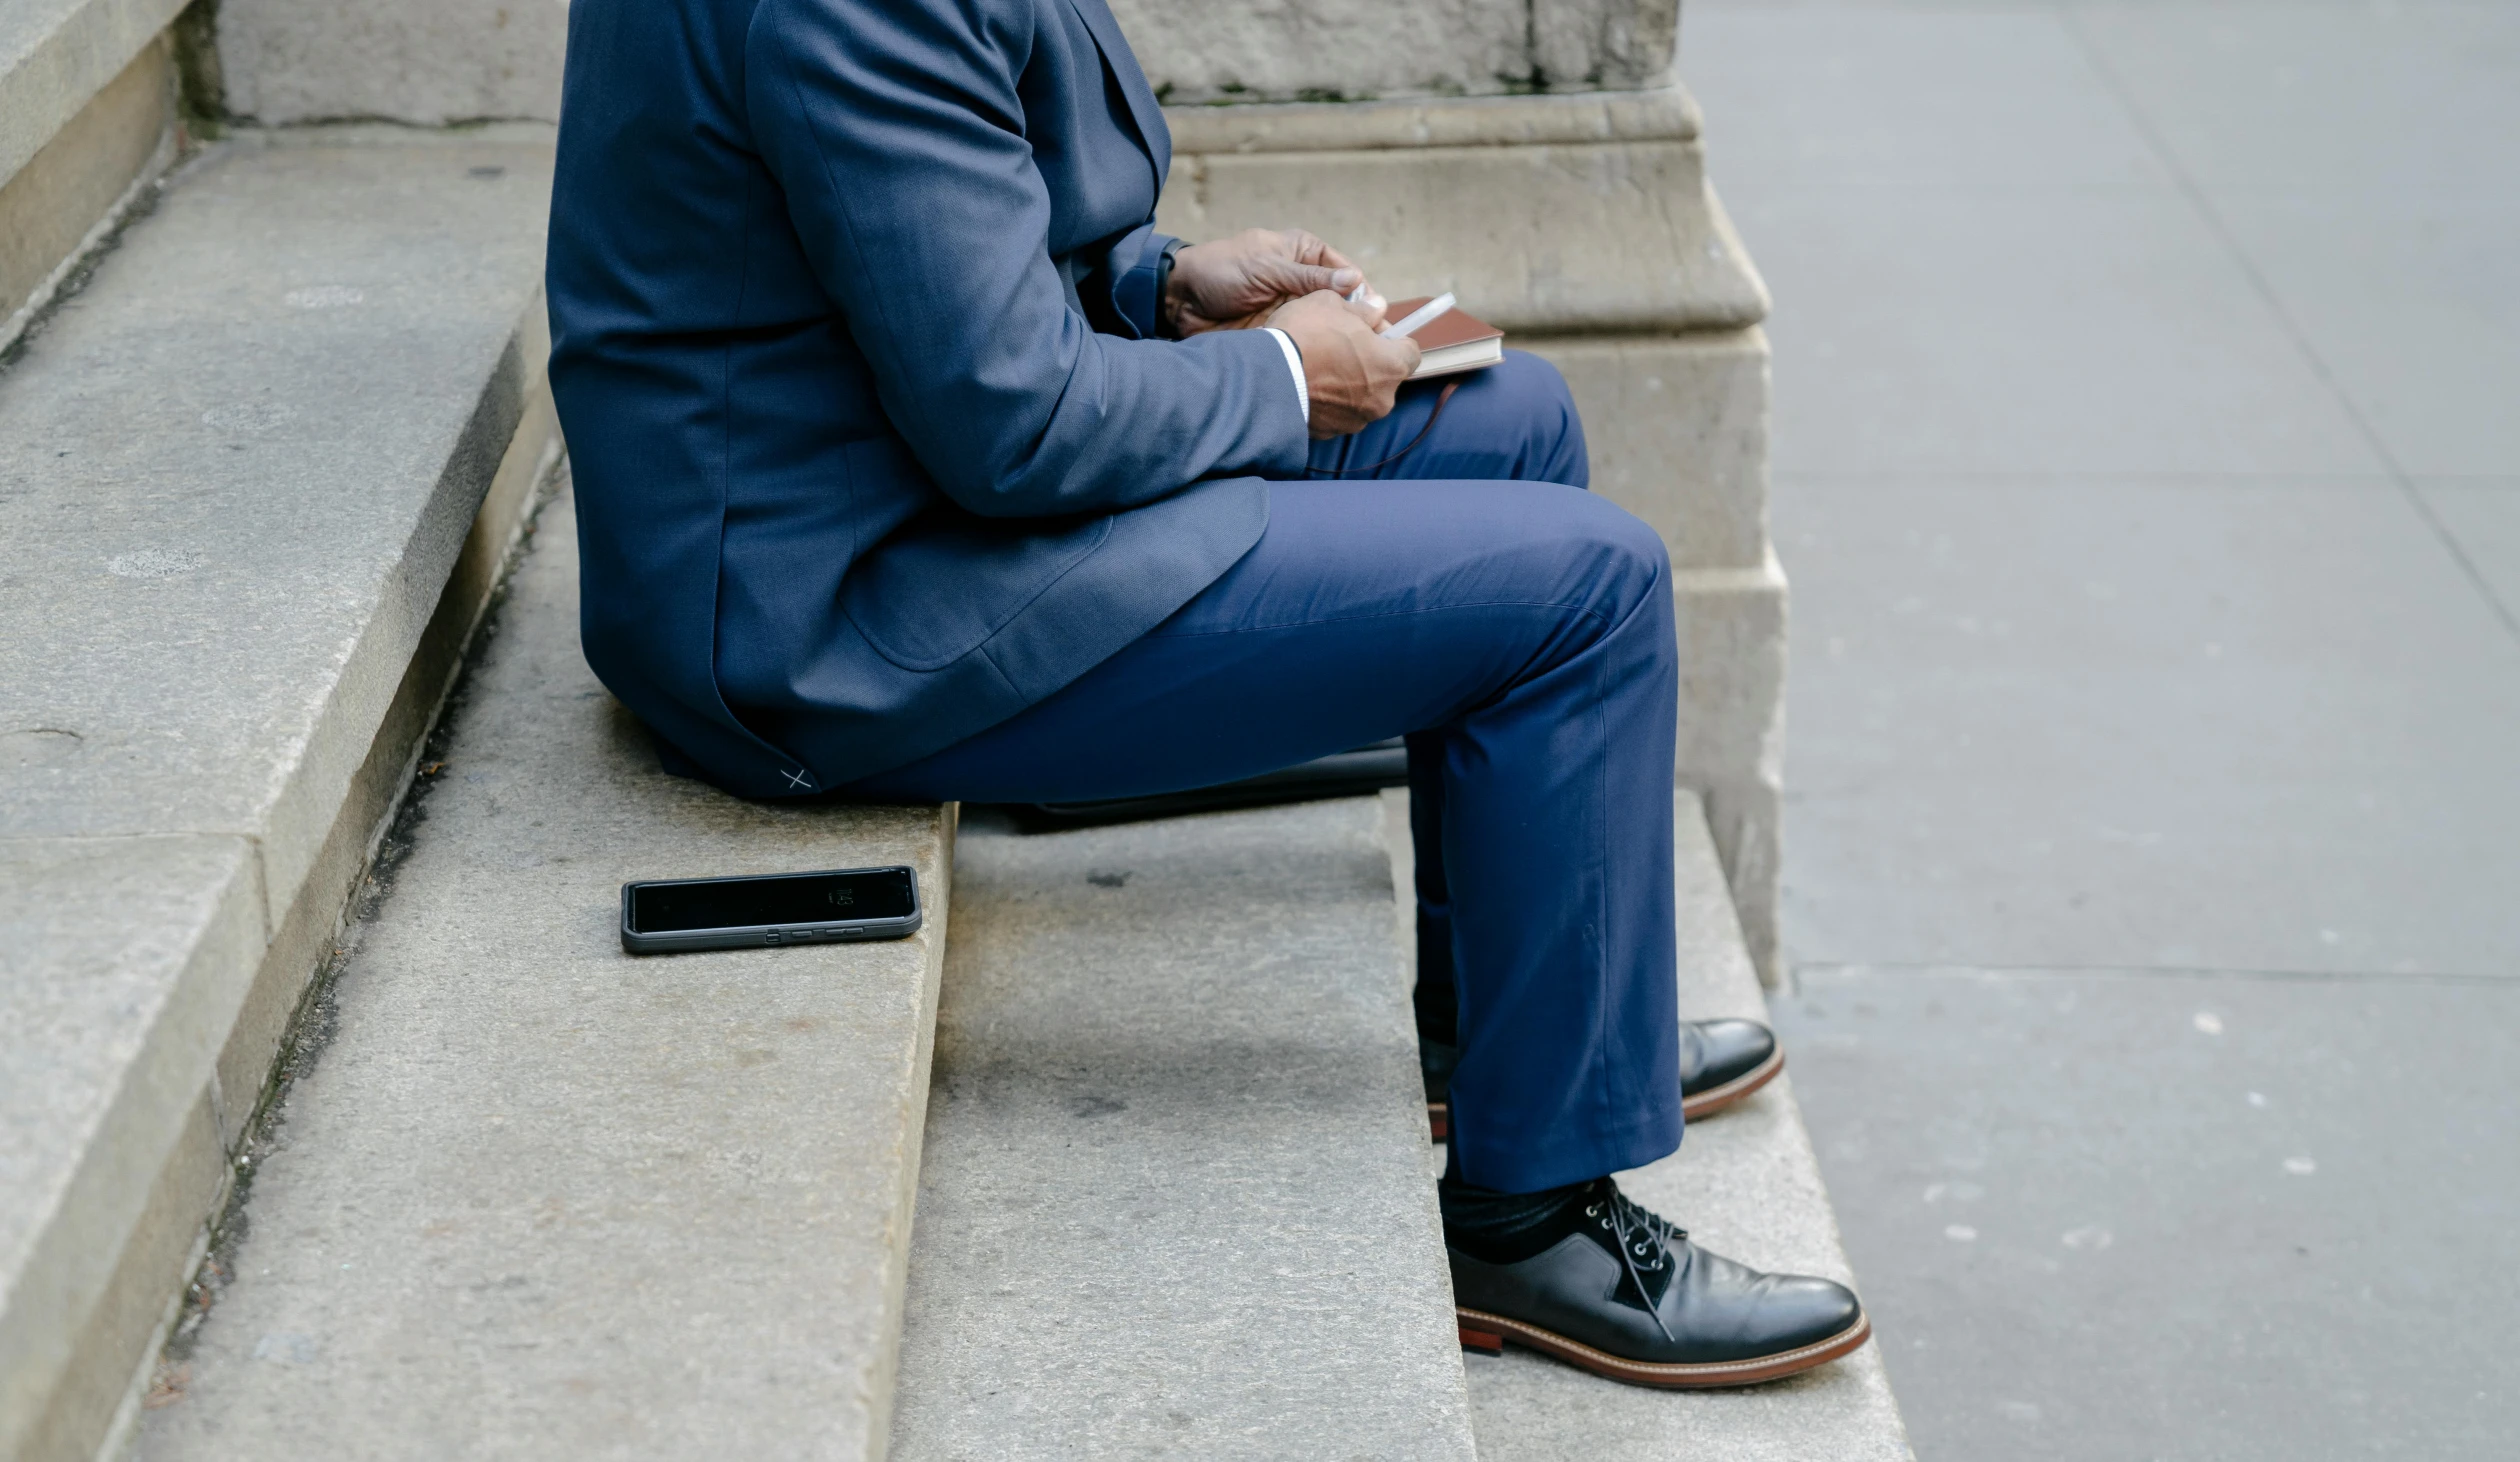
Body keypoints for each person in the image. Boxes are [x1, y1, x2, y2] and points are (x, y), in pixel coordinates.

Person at [544, 0, 1869, 1387]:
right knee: (1587, 596)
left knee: (1514, 416)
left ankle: (1499, 1030)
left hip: (887, 486)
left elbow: (917, 246)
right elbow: (1021, 425)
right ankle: (1530, 1221)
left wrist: (1162, 287)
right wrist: (1283, 374)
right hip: (835, 615)